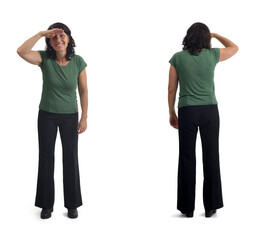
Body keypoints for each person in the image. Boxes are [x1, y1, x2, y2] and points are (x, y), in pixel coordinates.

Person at [17, 22, 88, 219]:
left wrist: (84, 117)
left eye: (62, 35)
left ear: (69, 39)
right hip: (47, 115)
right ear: (50, 41)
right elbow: (21, 51)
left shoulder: (78, 61)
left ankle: (72, 204)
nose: (58, 40)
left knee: (70, 158)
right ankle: (46, 204)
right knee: (46, 157)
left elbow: (83, 91)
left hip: (70, 116)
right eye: (54, 37)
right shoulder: (44, 59)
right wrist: (40, 33)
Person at [168, 23, 238, 218]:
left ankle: (187, 208)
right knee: (211, 156)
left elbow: (171, 89)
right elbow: (235, 48)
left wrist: (171, 112)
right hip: (209, 111)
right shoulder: (213, 55)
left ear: (188, 36)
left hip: (187, 110)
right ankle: (211, 206)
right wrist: (215, 35)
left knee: (186, 157)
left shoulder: (177, 58)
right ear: (206, 38)